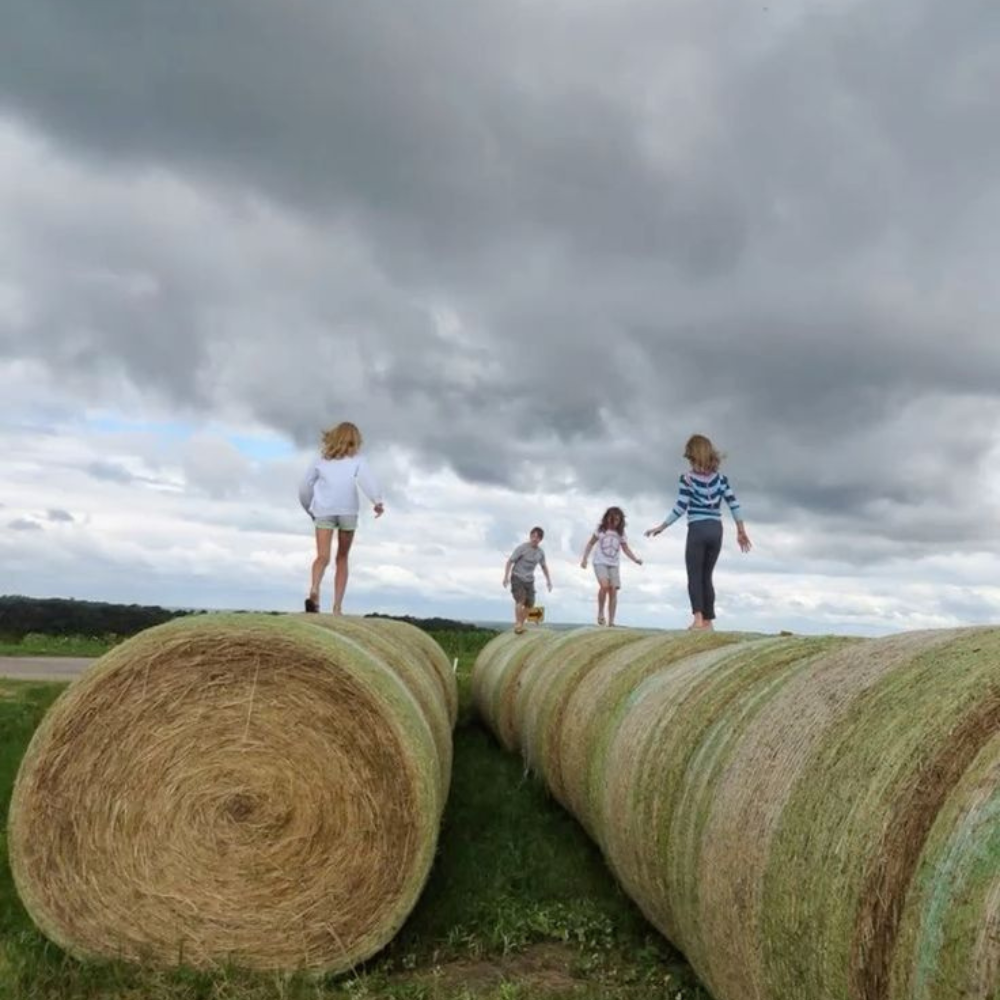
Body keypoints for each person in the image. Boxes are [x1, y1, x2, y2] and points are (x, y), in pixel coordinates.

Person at [645, 434, 751, 631]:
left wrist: (662, 526)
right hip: (715, 530)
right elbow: (734, 504)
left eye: (690, 459)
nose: (690, 463)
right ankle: (709, 622)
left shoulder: (687, 479)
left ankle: (698, 620)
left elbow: (681, 506)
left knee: (694, 575)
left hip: (697, 529)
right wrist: (741, 531)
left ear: (694, 457)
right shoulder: (721, 480)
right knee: (707, 576)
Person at [299, 421, 384, 615]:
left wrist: (309, 508)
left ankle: (314, 589)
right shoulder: (358, 460)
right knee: (342, 558)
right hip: (347, 512)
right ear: (355, 441)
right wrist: (377, 501)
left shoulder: (320, 460)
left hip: (324, 511)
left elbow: (304, 486)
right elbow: (368, 481)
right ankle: (337, 607)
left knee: (322, 556)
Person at [580, 506, 643, 627]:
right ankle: (600, 613)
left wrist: (635, 559)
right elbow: (590, 543)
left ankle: (611, 621)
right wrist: (584, 559)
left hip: (614, 565)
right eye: (611, 518)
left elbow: (626, 548)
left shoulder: (621, 533)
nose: (613, 521)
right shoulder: (600, 530)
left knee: (613, 590)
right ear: (607, 518)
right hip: (600, 562)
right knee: (604, 586)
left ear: (620, 521)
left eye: (617, 519)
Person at [503, 526, 553, 634]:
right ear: (530, 536)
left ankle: (520, 624)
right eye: (533, 536)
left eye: (538, 537)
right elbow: (510, 562)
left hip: (529, 580)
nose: (535, 539)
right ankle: (518, 624)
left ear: (540, 540)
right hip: (517, 577)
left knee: (530, 603)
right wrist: (506, 577)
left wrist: (548, 580)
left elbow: (544, 566)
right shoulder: (522, 548)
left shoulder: (540, 553)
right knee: (521, 599)